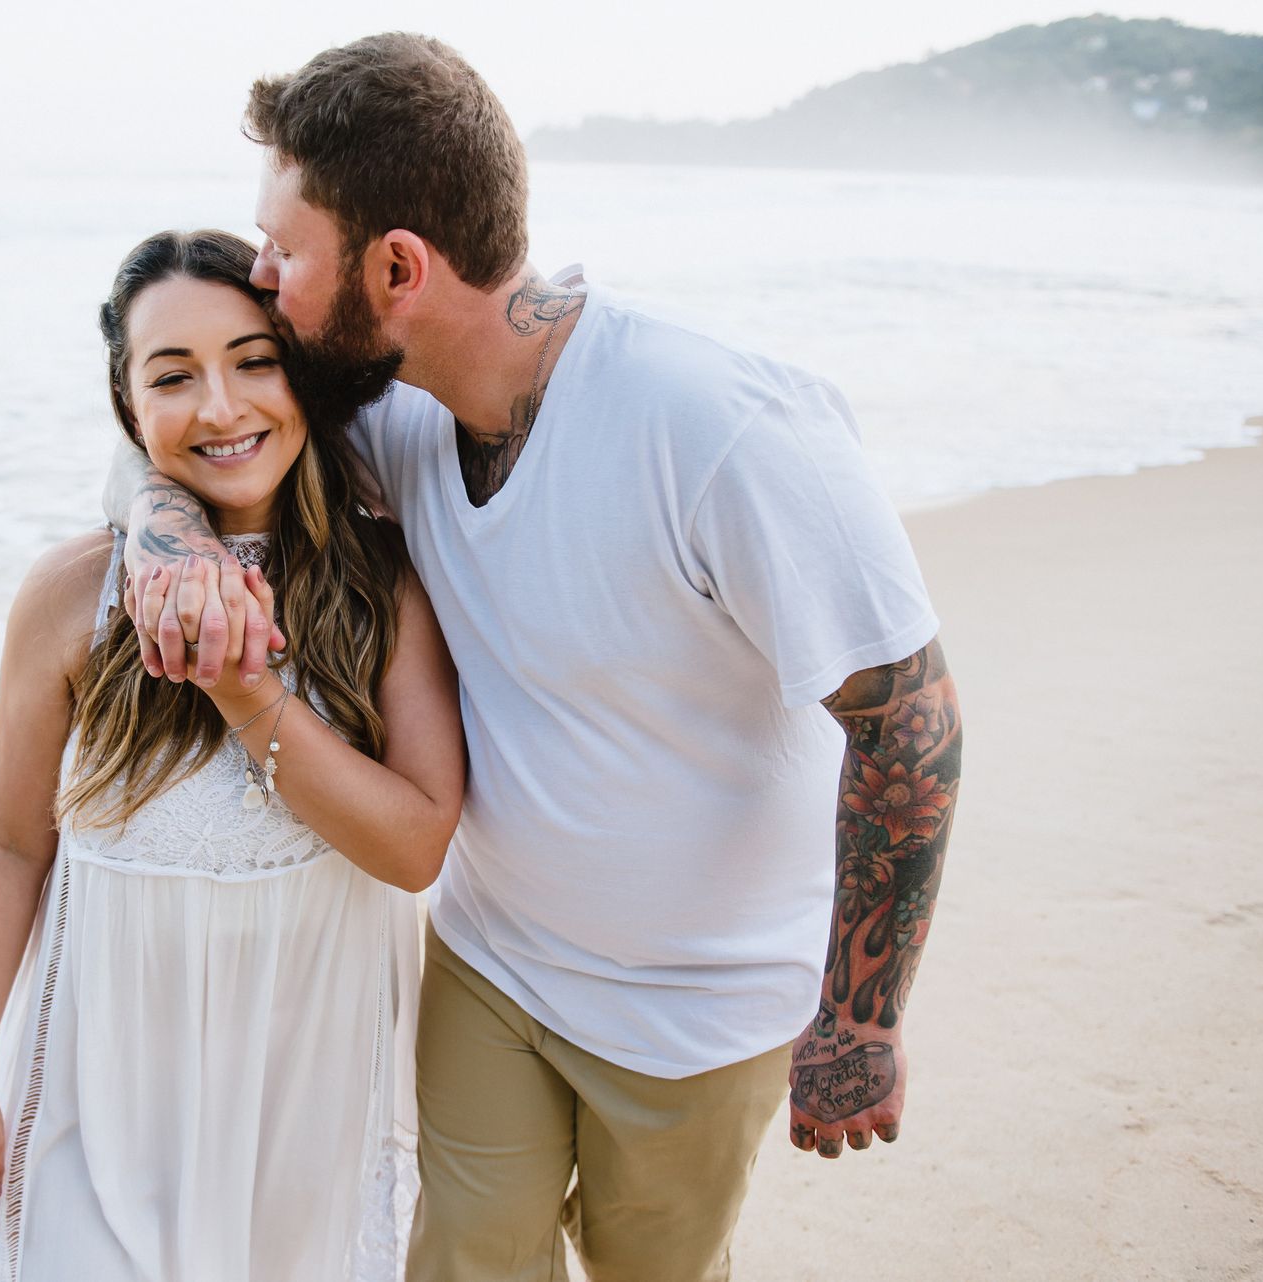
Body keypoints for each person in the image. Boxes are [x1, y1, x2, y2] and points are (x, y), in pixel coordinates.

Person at [109, 33, 964, 1282]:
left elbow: (911, 718)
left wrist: (863, 1017)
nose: (262, 276)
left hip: (698, 1009)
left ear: (396, 266)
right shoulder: (398, 414)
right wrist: (161, 537)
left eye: (284, 250)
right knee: (460, 1264)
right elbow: (202, 431)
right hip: (494, 963)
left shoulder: (718, 428)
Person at [0, 229, 465, 1282]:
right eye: (171, 377)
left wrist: (245, 689)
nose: (220, 409)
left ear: (302, 373)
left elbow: (415, 848)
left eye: (254, 361)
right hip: (105, 1090)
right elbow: (6, 845)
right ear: (130, 412)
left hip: (301, 1093)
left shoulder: (382, 588)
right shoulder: (69, 599)